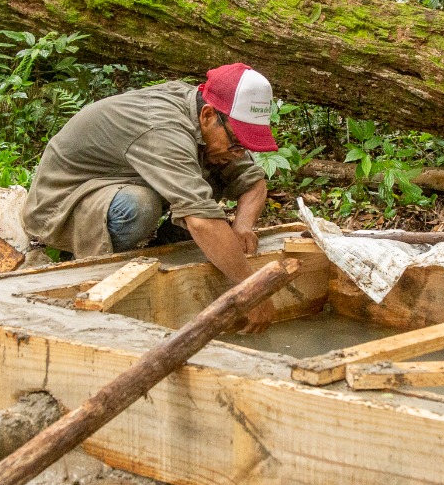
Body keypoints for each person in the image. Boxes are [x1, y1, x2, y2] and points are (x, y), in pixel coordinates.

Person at [22, 63, 278, 333]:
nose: (240, 153)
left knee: (209, 176)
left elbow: (253, 181)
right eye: (237, 143)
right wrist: (251, 290)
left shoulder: (211, 119)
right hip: (62, 202)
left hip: (118, 183)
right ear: (207, 116)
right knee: (139, 206)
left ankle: (158, 247)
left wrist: (243, 226)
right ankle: (94, 265)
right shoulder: (164, 128)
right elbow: (201, 221)